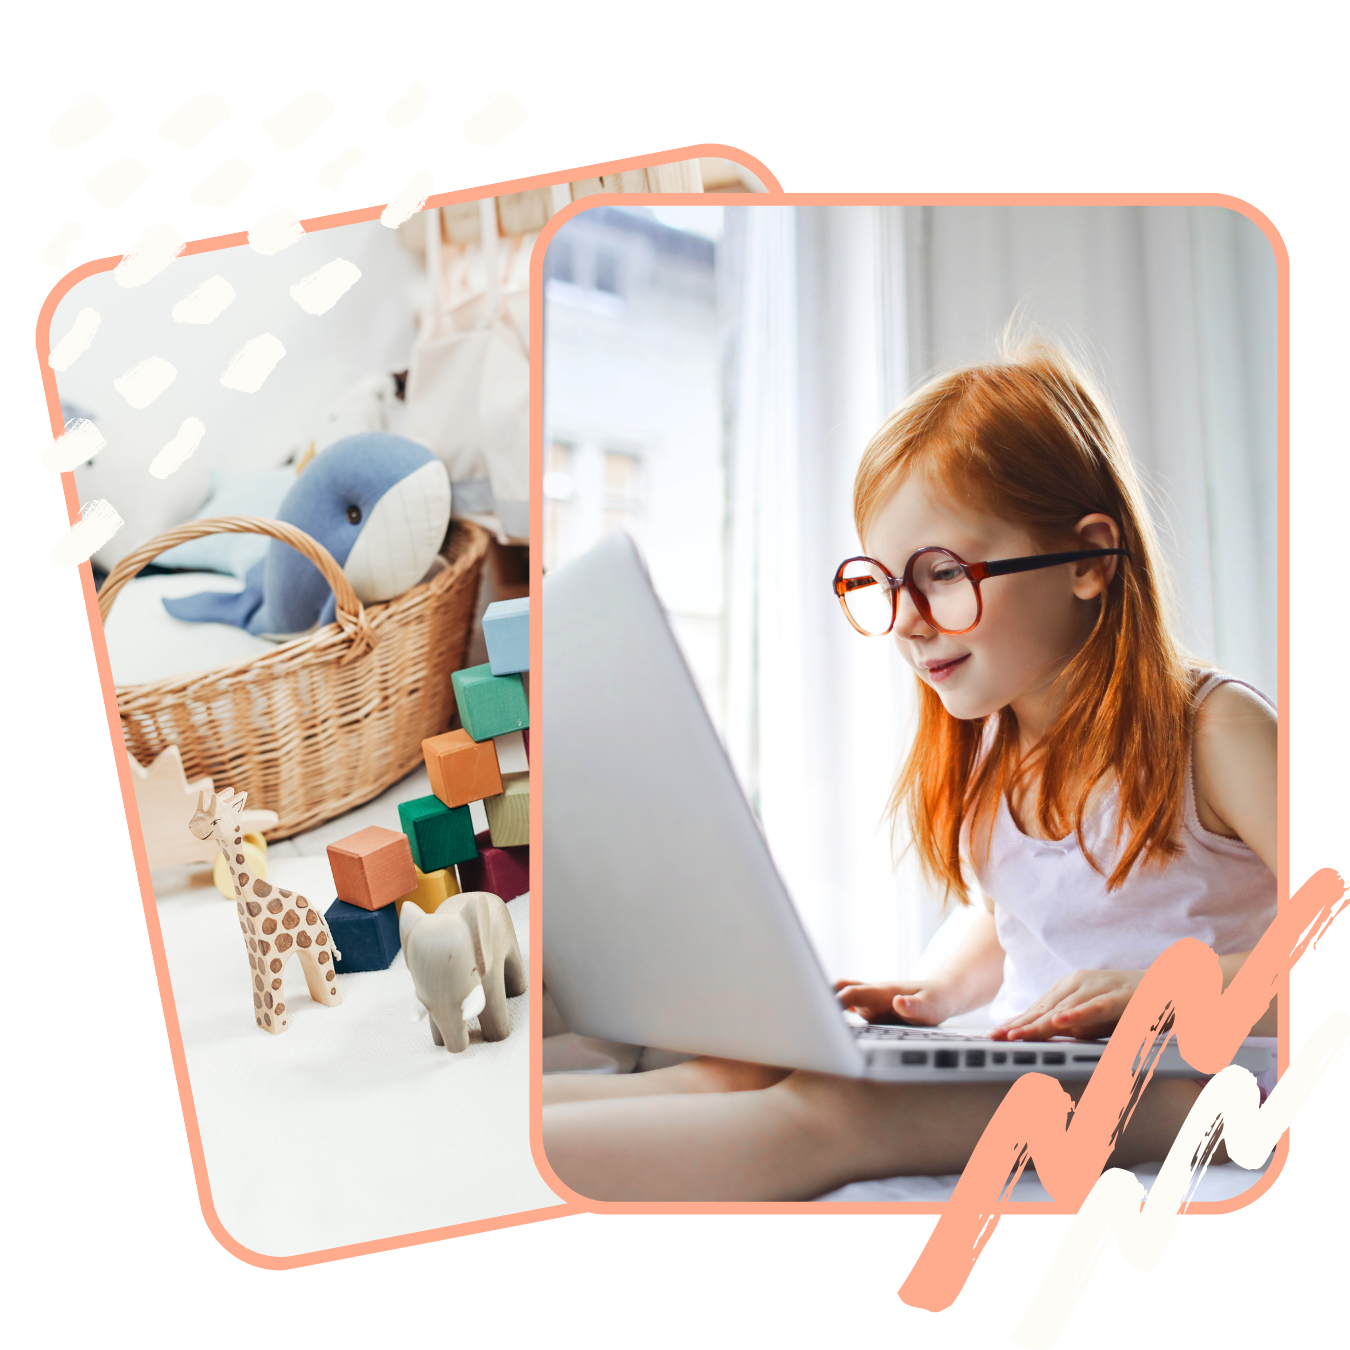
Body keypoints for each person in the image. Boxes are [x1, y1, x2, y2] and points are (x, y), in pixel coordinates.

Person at [541, 335, 1277, 1202]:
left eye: (940, 575)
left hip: (1208, 1082)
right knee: (736, 1070)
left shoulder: (1214, 730)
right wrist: (935, 989)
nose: (908, 622)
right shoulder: (1002, 753)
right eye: (886, 585)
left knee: (837, 1118)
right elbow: (1012, 914)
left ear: (1087, 559)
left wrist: (1167, 988)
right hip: (1061, 1064)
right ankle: (500, 1141)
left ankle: (518, 1189)